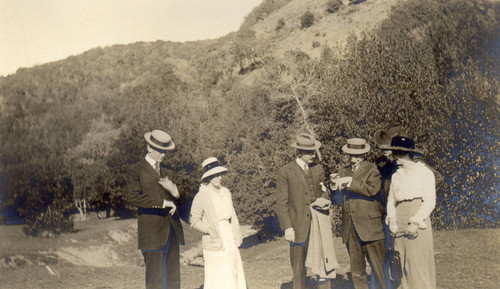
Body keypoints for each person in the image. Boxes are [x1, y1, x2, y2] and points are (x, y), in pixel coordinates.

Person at [125, 129, 184, 289]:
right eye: (160, 151)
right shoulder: (136, 170)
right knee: (155, 281)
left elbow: (183, 196)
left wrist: (175, 191)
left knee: (173, 279)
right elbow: (133, 197)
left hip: (171, 229)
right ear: (149, 148)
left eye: (165, 151)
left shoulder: (168, 171)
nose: (163, 155)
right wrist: (164, 203)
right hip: (150, 232)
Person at [275, 133, 332, 289]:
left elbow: (323, 191)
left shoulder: (318, 168)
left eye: (314, 151)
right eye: (310, 152)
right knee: (299, 270)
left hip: (318, 225)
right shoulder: (285, 171)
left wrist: (324, 199)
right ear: (299, 153)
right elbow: (281, 203)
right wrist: (288, 227)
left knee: (323, 266)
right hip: (298, 228)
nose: (313, 155)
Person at [330, 138, 386, 289]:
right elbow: (336, 201)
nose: (353, 159)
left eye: (357, 156)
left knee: (379, 270)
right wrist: (333, 187)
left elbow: (372, 190)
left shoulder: (373, 169)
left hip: (370, 227)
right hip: (351, 229)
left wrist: (349, 182)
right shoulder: (343, 171)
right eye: (350, 155)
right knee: (356, 272)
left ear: (364, 155)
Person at [384, 136, 437, 289]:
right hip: (399, 221)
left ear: (406, 154)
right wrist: (392, 220)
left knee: (418, 264)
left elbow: (429, 201)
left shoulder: (424, 172)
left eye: (397, 153)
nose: (394, 158)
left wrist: (415, 222)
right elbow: (391, 201)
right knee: (399, 265)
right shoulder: (396, 176)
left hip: (418, 220)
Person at [190, 157, 246, 289]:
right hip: (214, 238)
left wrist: (237, 234)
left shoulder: (226, 192)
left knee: (232, 270)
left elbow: (232, 215)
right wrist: (209, 230)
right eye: (215, 175)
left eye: (220, 174)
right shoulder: (202, 195)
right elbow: (194, 220)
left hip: (228, 235)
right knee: (218, 274)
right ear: (208, 177)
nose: (219, 177)